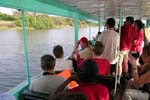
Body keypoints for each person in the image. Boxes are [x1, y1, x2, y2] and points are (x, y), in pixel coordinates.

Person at [118, 16, 136, 83]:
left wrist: (122, 25)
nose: (125, 21)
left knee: (119, 63)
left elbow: (118, 31)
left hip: (122, 47)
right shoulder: (134, 28)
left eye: (126, 20)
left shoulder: (125, 27)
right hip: (128, 48)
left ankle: (118, 78)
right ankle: (124, 76)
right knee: (125, 62)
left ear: (128, 21)